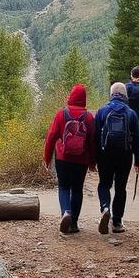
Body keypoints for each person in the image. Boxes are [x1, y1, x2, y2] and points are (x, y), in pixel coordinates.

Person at [43, 83, 96, 235]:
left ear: (70, 97)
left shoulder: (61, 114)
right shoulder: (89, 117)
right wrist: (92, 162)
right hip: (82, 160)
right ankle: (73, 223)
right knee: (77, 189)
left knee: (64, 187)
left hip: (62, 158)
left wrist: (47, 158)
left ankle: (65, 212)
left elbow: (51, 137)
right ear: (84, 99)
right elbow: (92, 142)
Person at [94, 82, 139, 234]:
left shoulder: (102, 111)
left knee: (104, 184)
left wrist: (94, 158)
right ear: (125, 96)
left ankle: (105, 208)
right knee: (120, 188)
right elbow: (137, 139)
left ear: (111, 95)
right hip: (125, 155)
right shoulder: (131, 114)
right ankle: (116, 222)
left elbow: (95, 137)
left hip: (105, 154)